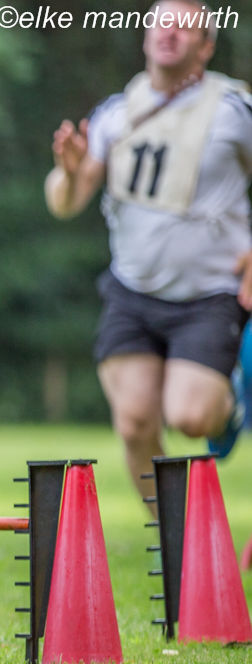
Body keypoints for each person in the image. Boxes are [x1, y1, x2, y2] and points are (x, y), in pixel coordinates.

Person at [45, 0, 252, 505]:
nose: (170, 32)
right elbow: (64, 204)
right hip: (133, 291)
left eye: (185, 27)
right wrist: (69, 172)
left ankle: (231, 401)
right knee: (135, 423)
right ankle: (172, 537)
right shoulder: (116, 113)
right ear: (145, 36)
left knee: (189, 417)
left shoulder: (233, 109)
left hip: (210, 294)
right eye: (162, 22)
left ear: (206, 46)